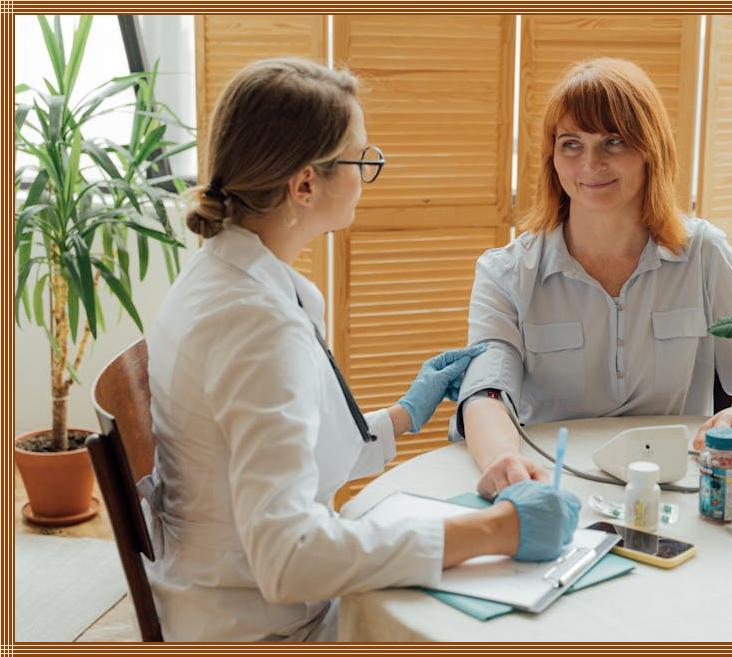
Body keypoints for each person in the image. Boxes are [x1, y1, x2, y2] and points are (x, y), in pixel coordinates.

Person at [142, 57, 580, 642]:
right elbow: (288, 557)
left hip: (222, 594)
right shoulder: (258, 326)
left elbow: (265, 457)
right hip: (263, 628)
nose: (369, 173)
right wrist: (496, 532)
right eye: (361, 159)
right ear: (304, 185)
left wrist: (400, 417)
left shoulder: (221, 276)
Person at [454, 58, 732, 499]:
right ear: (552, 157)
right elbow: (485, 393)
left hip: (675, 490)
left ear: (650, 150)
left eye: (614, 141)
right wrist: (502, 460)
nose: (591, 163)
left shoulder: (704, 252)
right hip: (551, 487)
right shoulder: (505, 273)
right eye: (571, 144)